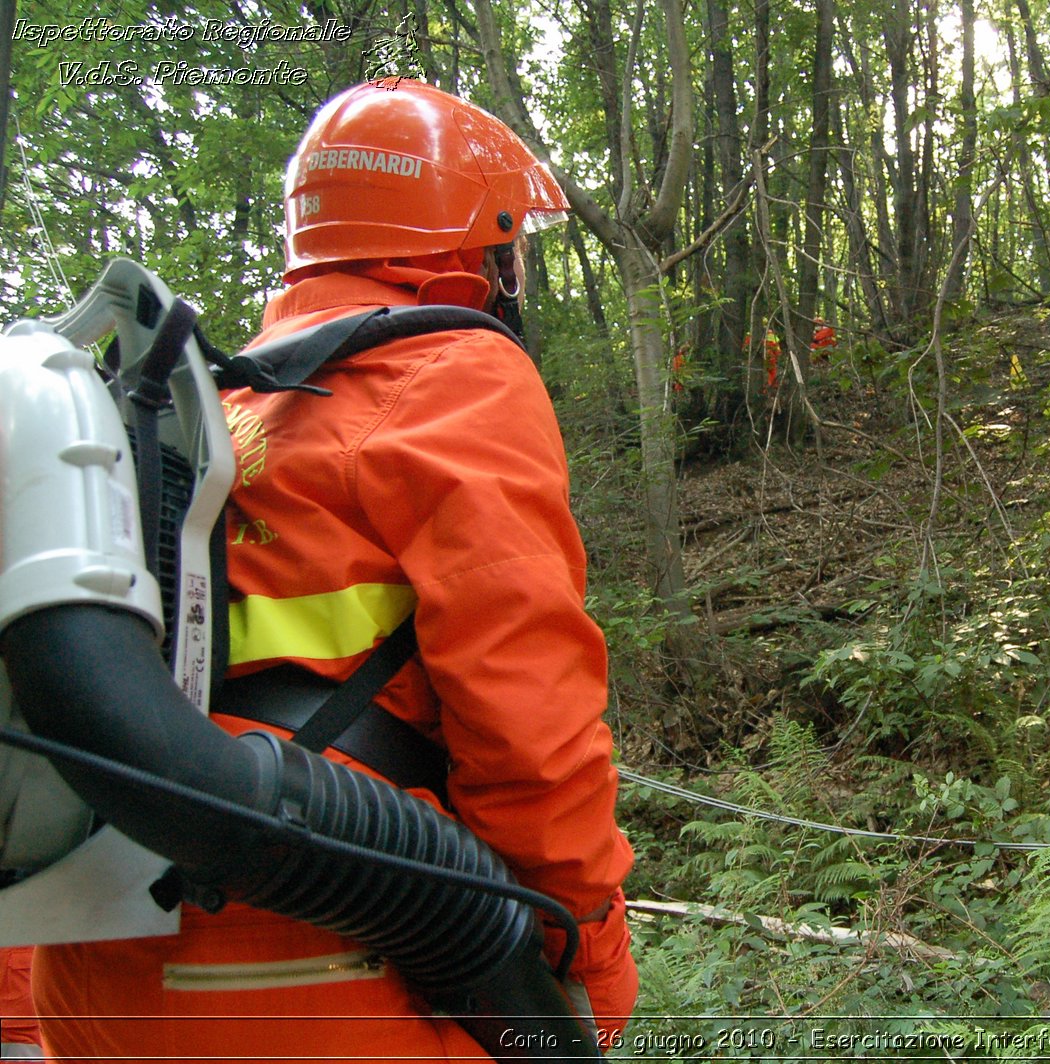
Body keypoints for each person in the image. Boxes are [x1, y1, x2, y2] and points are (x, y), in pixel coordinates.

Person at [32, 80, 637, 1060]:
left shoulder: (203, 410)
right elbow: (531, 720)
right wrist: (584, 969)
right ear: (467, 247)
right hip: (324, 966)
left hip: (100, 975)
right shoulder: (451, 375)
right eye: (509, 240)